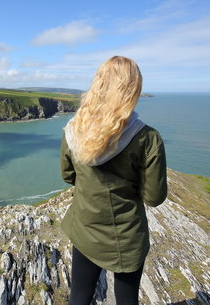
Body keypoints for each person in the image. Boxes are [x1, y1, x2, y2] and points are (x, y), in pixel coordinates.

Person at [60, 56, 167, 305]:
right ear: (132, 90)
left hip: (85, 228)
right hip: (126, 237)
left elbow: (67, 175)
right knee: (126, 301)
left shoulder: (75, 128)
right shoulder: (148, 138)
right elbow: (154, 197)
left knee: (79, 297)